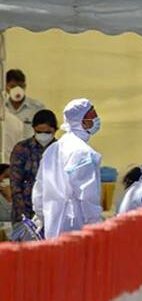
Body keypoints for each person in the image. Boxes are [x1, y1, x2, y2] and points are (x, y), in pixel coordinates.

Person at [32, 99, 102, 239]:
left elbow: (39, 189)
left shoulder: (53, 149)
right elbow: (88, 194)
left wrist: (41, 215)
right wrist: (96, 224)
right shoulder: (83, 152)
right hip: (76, 223)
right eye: (93, 115)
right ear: (83, 121)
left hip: (52, 222)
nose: (96, 119)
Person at [9, 109, 58, 222]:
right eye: (39, 132)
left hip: (52, 212)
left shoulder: (60, 149)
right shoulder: (22, 148)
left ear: (55, 130)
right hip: (25, 212)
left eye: (47, 132)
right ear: (34, 130)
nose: (43, 136)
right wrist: (24, 215)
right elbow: (15, 183)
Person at [4, 69, 46, 139]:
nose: (17, 90)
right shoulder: (2, 108)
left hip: (29, 148)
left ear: (25, 86)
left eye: (20, 86)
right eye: (12, 86)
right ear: (6, 87)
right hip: (8, 148)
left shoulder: (37, 108)